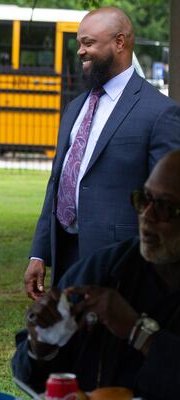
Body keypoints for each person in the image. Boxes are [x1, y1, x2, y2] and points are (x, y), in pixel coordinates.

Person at [25, 6, 180, 299]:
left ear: (119, 42)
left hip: (122, 264)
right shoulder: (75, 108)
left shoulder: (160, 113)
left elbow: (166, 201)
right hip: (66, 257)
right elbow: (57, 184)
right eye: (79, 44)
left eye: (88, 43)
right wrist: (39, 253)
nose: (81, 51)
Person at [12, 149, 180, 399]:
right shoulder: (105, 270)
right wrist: (42, 346)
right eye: (144, 199)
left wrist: (138, 332)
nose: (147, 216)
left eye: (165, 207)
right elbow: (28, 376)